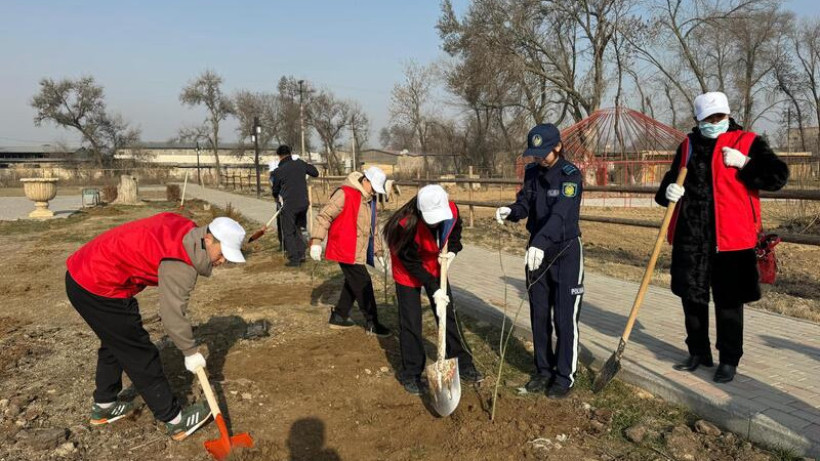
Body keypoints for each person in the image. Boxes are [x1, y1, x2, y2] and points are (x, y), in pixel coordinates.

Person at [65, 212, 247, 440]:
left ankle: (104, 405)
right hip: (96, 283)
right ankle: (175, 421)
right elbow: (172, 316)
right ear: (209, 239)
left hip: (86, 272)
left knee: (116, 340)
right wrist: (190, 352)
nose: (222, 262)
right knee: (139, 352)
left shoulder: (188, 231)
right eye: (222, 255)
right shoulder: (181, 262)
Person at [655, 92, 789, 383]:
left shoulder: (747, 141)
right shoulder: (688, 146)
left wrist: (746, 163)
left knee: (729, 303)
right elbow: (670, 180)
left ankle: (729, 359)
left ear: (728, 116)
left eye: (720, 117)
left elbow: (778, 177)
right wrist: (668, 193)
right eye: (709, 118)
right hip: (691, 237)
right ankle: (698, 352)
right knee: (692, 299)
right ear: (698, 120)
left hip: (732, 239)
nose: (715, 122)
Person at [496, 123, 584, 400]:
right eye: (535, 153)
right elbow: (525, 203)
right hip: (537, 251)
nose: (538, 157)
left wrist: (539, 243)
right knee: (539, 312)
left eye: (543, 152)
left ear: (557, 147)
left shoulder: (571, 176)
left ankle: (563, 376)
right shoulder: (532, 172)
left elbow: (560, 215)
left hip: (565, 250)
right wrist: (511, 211)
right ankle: (543, 370)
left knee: (564, 317)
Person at [383, 185, 483, 395]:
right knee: (411, 321)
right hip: (408, 269)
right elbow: (410, 261)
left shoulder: (452, 212)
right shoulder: (403, 224)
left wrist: (452, 253)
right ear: (420, 211)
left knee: (448, 314)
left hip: (436, 265)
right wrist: (433, 288)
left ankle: (461, 361)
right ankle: (411, 371)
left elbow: (455, 237)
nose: (437, 221)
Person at [309, 166, 391, 337]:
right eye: (374, 188)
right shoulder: (345, 193)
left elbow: (372, 228)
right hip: (344, 247)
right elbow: (324, 216)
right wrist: (316, 241)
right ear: (365, 180)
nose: (375, 193)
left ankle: (339, 315)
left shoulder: (370, 200)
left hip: (357, 249)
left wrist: (378, 252)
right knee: (363, 283)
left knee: (353, 281)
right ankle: (372, 322)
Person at [271, 144, 320, 266]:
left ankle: (294, 259)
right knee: (299, 228)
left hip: (290, 205)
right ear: (290, 153)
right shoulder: (299, 163)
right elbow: (315, 172)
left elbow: (275, 190)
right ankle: (301, 254)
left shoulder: (278, 171)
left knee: (288, 231)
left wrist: (277, 197)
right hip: (303, 203)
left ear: (279, 156)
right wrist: (304, 164)